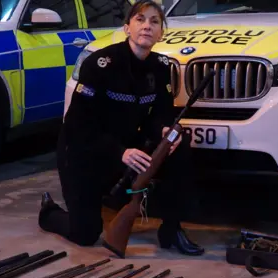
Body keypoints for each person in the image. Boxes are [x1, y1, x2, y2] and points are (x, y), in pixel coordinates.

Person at [38, 0, 204, 256]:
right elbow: (79, 125)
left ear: (161, 33)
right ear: (127, 28)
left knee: (176, 149)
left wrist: (163, 130)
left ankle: (171, 230)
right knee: (85, 233)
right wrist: (121, 153)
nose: (147, 26)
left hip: (125, 146)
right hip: (83, 151)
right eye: (140, 19)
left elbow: (160, 114)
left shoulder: (161, 67)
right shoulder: (101, 63)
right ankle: (48, 212)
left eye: (154, 21)